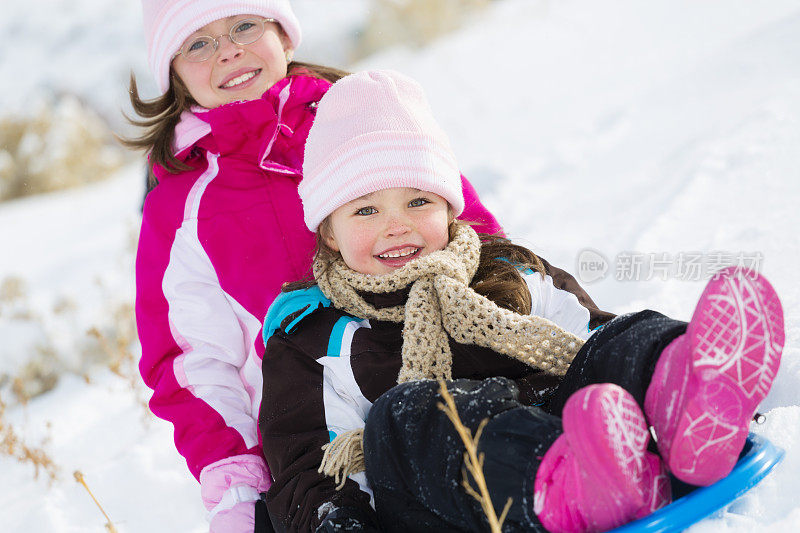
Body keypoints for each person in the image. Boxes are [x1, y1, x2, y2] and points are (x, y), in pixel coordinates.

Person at [258, 70, 785, 532]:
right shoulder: (311, 337)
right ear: (329, 232)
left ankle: (695, 396)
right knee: (404, 412)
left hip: (585, 435)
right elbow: (309, 469)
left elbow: (590, 337)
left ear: (448, 207)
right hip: (443, 501)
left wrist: (636, 360)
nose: (396, 225)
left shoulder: (509, 273)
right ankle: (570, 486)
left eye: (417, 200)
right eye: (365, 211)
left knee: (615, 338)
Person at [128, 2, 504, 532]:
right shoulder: (181, 204)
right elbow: (190, 362)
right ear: (174, 74)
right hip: (313, 439)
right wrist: (236, 482)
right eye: (197, 43)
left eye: (243, 25)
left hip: (448, 369)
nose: (228, 49)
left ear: (283, 34)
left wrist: (512, 316)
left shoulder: (361, 120)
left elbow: (473, 234)